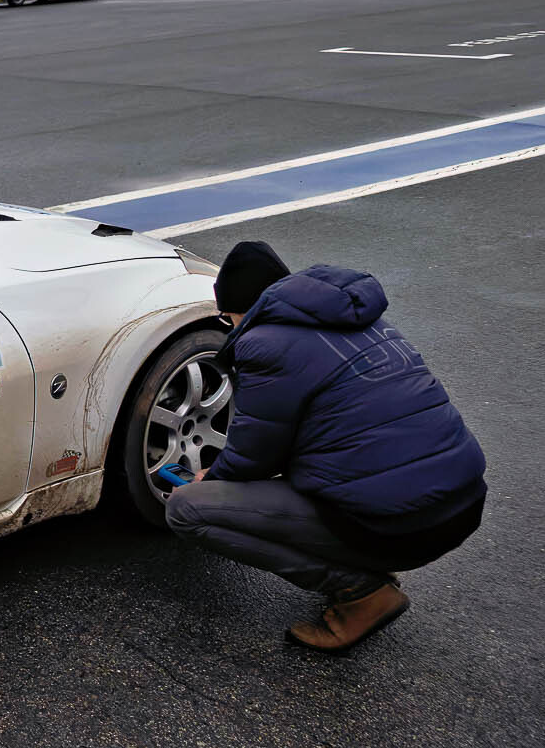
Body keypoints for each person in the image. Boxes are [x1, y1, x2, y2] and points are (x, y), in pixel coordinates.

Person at [163, 241, 487, 652]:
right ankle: (366, 563)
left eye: (228, 316)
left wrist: (212, 477)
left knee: (188, 509)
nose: (230, 325)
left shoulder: (263, 343)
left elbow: (254, 454)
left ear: (241, 308)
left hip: (404, 525)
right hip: (461, 504)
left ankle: (360, 592)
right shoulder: (368, 321)